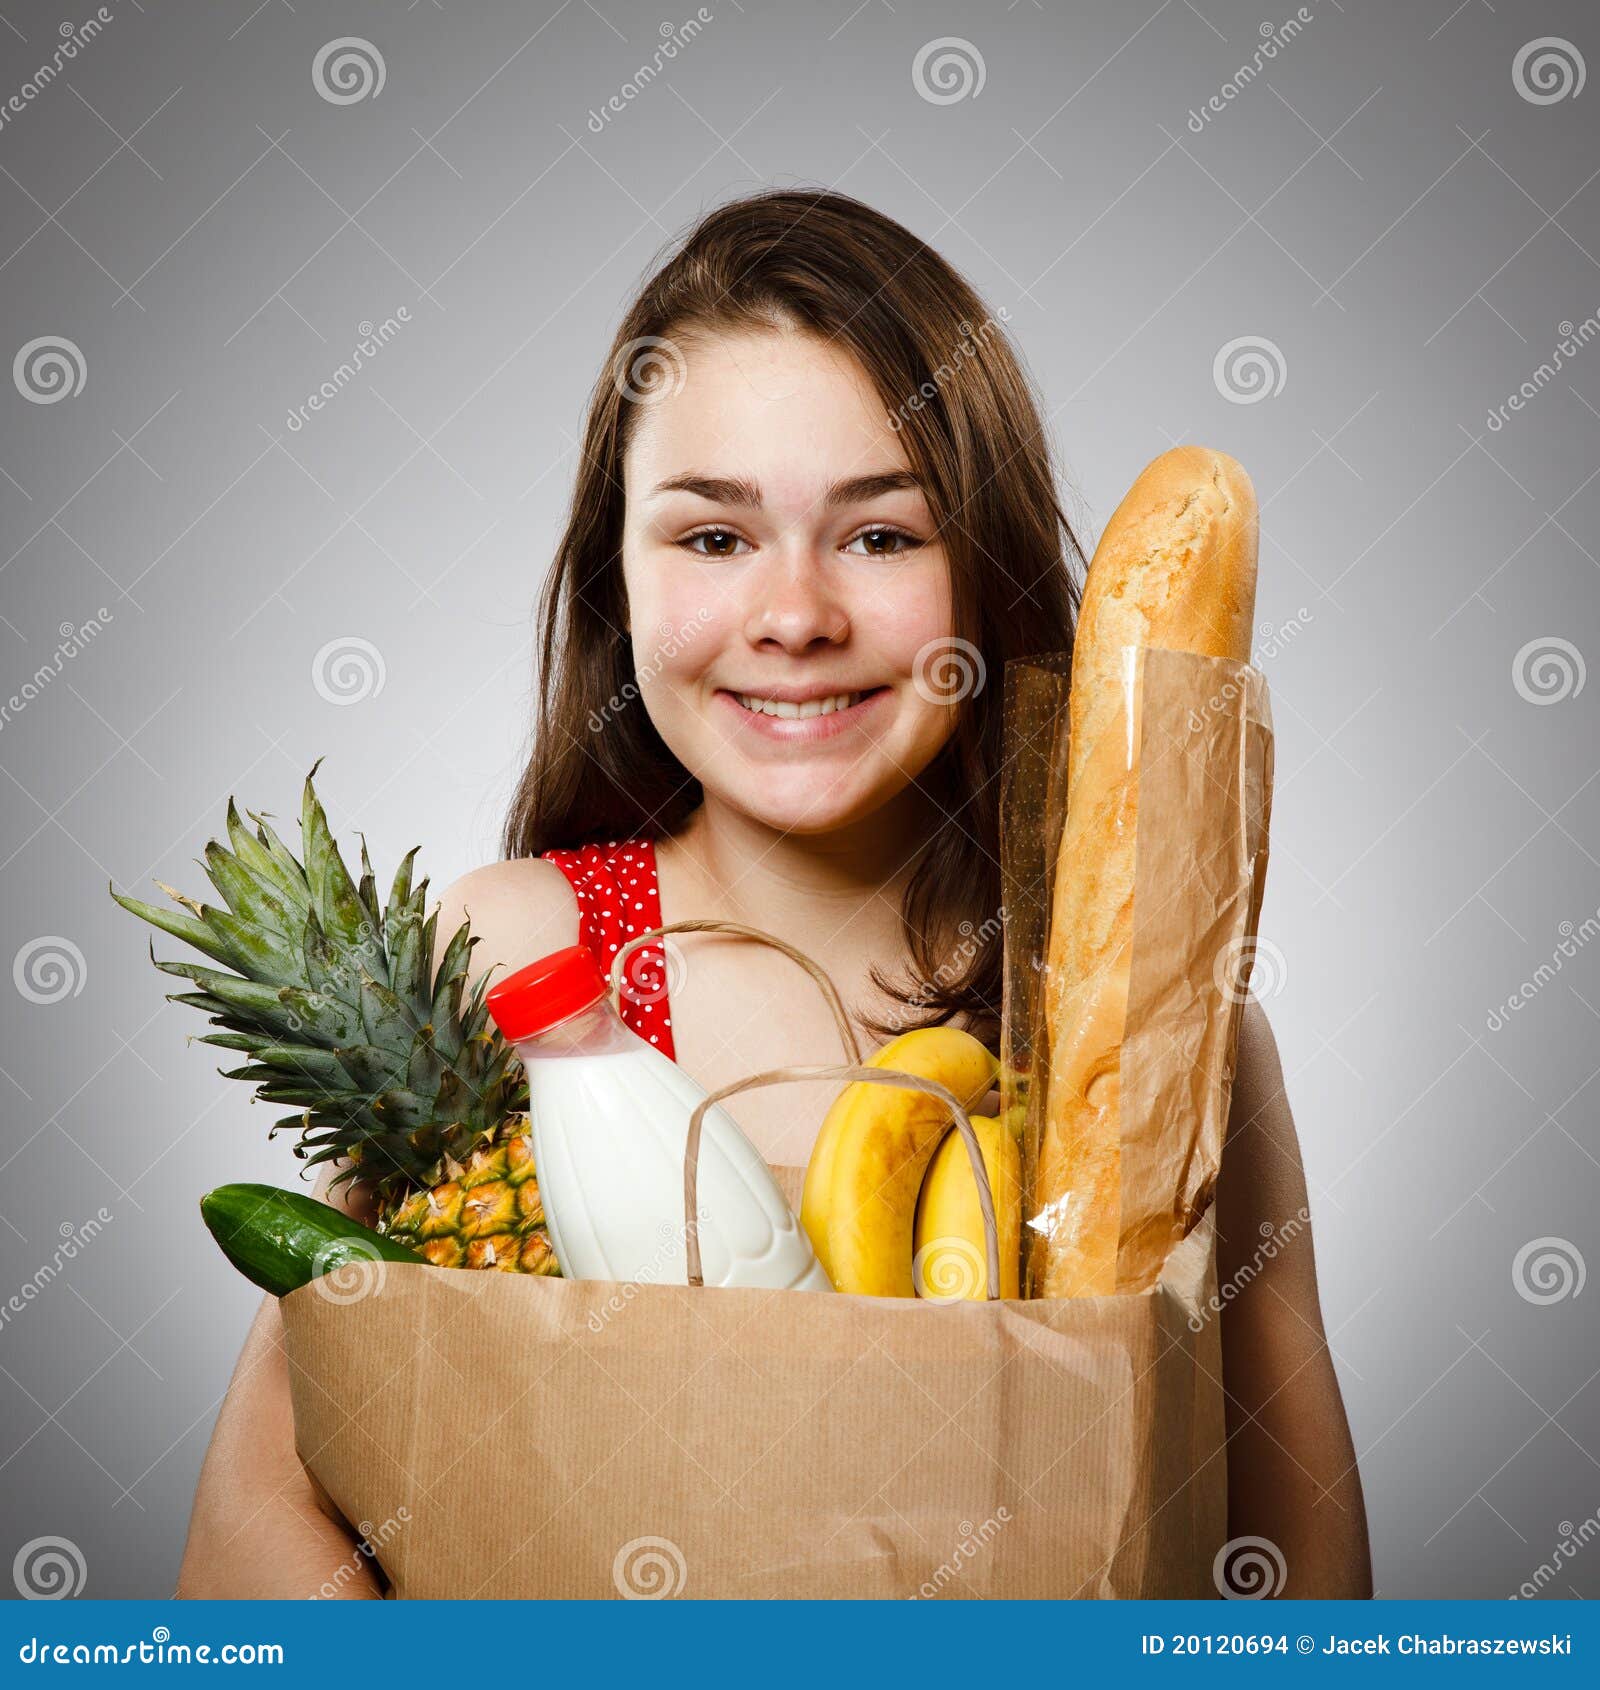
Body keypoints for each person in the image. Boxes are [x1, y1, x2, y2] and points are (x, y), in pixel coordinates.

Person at [176, 189, 1371, 1600]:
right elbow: (257, 1522)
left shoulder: (1159, 1031)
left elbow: (1297, 1573)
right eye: (713, 537)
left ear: (984, 576)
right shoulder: (519, 955)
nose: (795, 614)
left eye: (880, 537)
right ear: (616, 581)